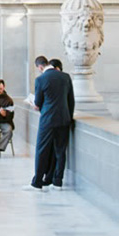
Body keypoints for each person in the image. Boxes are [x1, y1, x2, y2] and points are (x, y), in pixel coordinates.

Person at [24, 56, 75, 191]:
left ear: (40, 67)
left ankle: (37, 182)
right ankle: (58, 182)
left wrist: (35, 105)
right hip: (64, 119)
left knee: (42, 150)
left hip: (47, 120)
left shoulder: (40, 79)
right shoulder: (65, 77)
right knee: (60, 150)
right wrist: (69, 117)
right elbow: (71, 101)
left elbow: (38, 103)